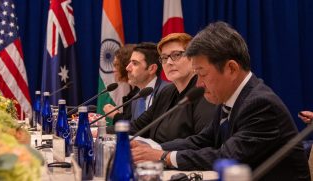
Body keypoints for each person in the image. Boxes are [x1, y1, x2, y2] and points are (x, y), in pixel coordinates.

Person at [131, 22, 310, 180]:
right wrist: (149, 148)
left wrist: (164, 156)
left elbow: (227, 156)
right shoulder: (231, 98)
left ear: (231, 68)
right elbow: (201, 140)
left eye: (202, 74)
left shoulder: (261, 104)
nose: (199, 84)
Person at [128, 33, 216, 143]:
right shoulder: (166, 92)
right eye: (164, 58)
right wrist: (102, 131)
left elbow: (202, 142)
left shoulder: (203, 92)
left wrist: (158, 151)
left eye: (177, 55)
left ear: (193, 58)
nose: (169, 62)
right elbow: (137, 126)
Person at [104, 42, 168, 124]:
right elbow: (134, 129)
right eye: (130, 62)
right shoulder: (136, 98)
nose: (127, 68)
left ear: (152, 69)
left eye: (134, 63)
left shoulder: (166, 92)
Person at [103, 44, 139, 123]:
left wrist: (115, 114)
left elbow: (135, 127)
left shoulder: (140, 91)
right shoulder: (133, 90)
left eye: (116, 65)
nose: (113, 70)